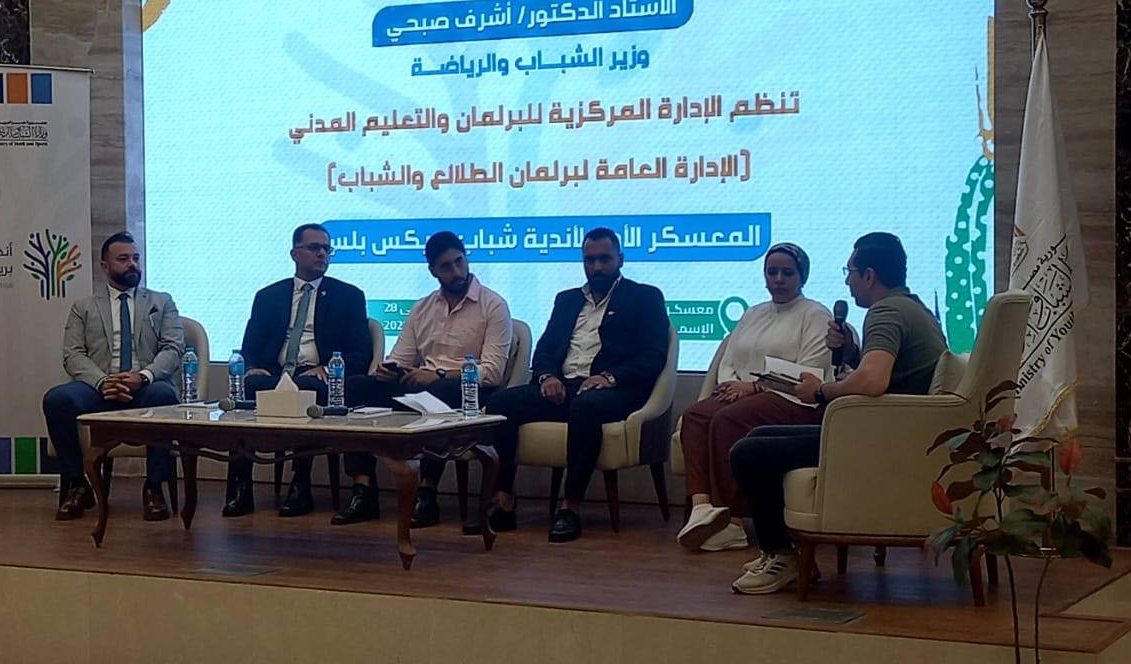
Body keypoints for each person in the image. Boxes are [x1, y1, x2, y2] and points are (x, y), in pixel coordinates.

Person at [728, 231, 948, 594]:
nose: (847, 281)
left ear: (869, 275)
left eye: (850, 272)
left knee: (749, 453)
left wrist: (820, 391)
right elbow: (889, 374)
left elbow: (873, 381)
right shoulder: (913, 307)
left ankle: (782, 555)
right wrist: (848, 353)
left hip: (883, 441)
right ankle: (787, 552)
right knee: (758, 437)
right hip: (898, 433)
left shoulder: (886, 312)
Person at [484, 227, 669, 543]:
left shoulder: (645, 297)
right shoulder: (567, 300)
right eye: (589, 260)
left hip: (614, 392)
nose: (597, 267)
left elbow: (654, 356)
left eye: (604, 259)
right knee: (502, 403)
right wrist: (547, 377)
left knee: (586, 407)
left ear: (621, 259)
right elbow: (545, 349)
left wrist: (608, 378)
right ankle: (504, 499)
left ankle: (570, 508)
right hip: (564, 387)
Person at [331, 230, 512, 527]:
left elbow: (492, 372)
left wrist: (438, 374)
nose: (456, 272)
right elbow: (401, 357)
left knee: (440, 391)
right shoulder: (422, 307)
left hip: (468, 390)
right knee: (357, 388)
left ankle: (427, 493)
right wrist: (391, 370)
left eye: (459, 262)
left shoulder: (493, 305)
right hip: (421, 387)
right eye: (446, 267)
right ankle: (364, 489)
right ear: (433, 271)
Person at [676, 243, 834, 553]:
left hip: (793, 400)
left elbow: (810, 372)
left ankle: (733, 522)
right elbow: (729, 359)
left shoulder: (815, 314)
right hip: (744, 395)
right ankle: (702, 509)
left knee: (727, 420)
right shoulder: (753, 313)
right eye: (772, 272)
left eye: (787, 273)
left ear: (802, 276)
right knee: (696, 416)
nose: (778, 279)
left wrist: (755, 387)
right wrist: (734, 386)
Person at [222, 223, 373, 518]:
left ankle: (300, 484)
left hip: (317, 377)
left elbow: (360, 353)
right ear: (294, 254)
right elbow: (249, 347)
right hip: (276, 374)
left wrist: (326, 368)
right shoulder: (268, 296)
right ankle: (241, 486)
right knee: (246, 389)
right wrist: (252, 368)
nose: (322, 254)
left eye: (326, 249)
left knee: (307, 389)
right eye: (314, 248)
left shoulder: (349, 296)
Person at [43, 231, 184, 522]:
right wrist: (103, 381)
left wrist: (143, 376)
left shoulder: (161, 302)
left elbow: (173, 349)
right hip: (100, 388)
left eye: (136, 258)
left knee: (164, 395)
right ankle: (77, 484)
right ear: (105, 266)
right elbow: (73, 354)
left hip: (144, 387)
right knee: (57, 400)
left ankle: (153, 488)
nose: (133, 264)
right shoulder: (84, 307)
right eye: (123, 259)